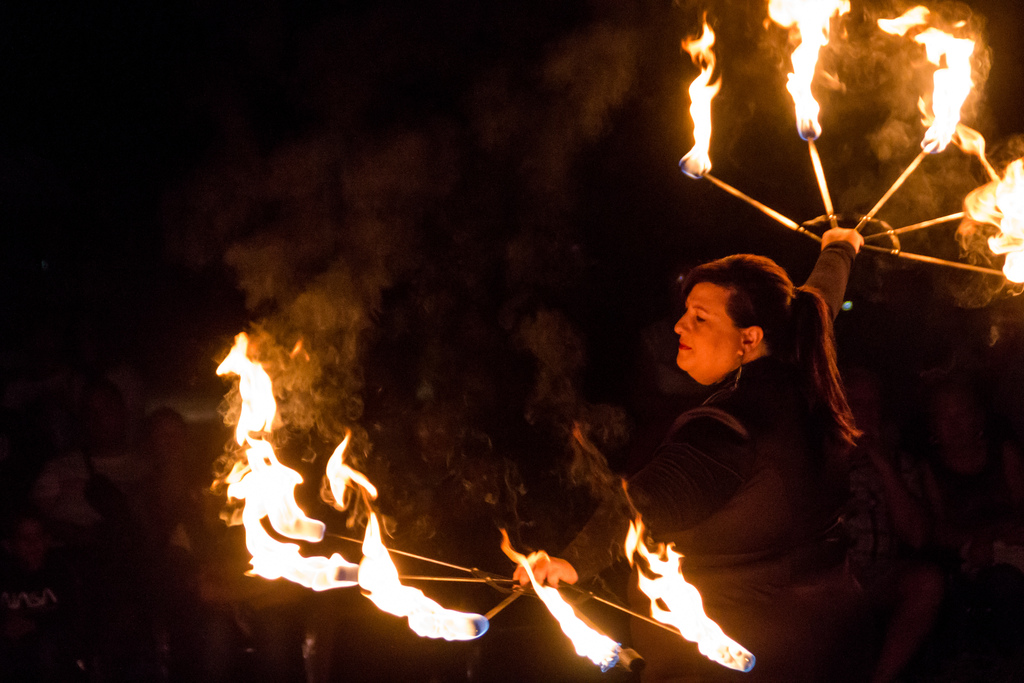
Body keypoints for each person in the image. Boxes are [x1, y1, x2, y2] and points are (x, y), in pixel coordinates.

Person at [515, 227, 869, 681]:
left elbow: (647, 502)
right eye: (685, 312)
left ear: (750, 338)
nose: (680, 325)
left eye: (700, 318)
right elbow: (820, 300)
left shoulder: (731, 423)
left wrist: (571, 562)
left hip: (737, 654)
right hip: (825, 634)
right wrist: (840, 247)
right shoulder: (798, 372)